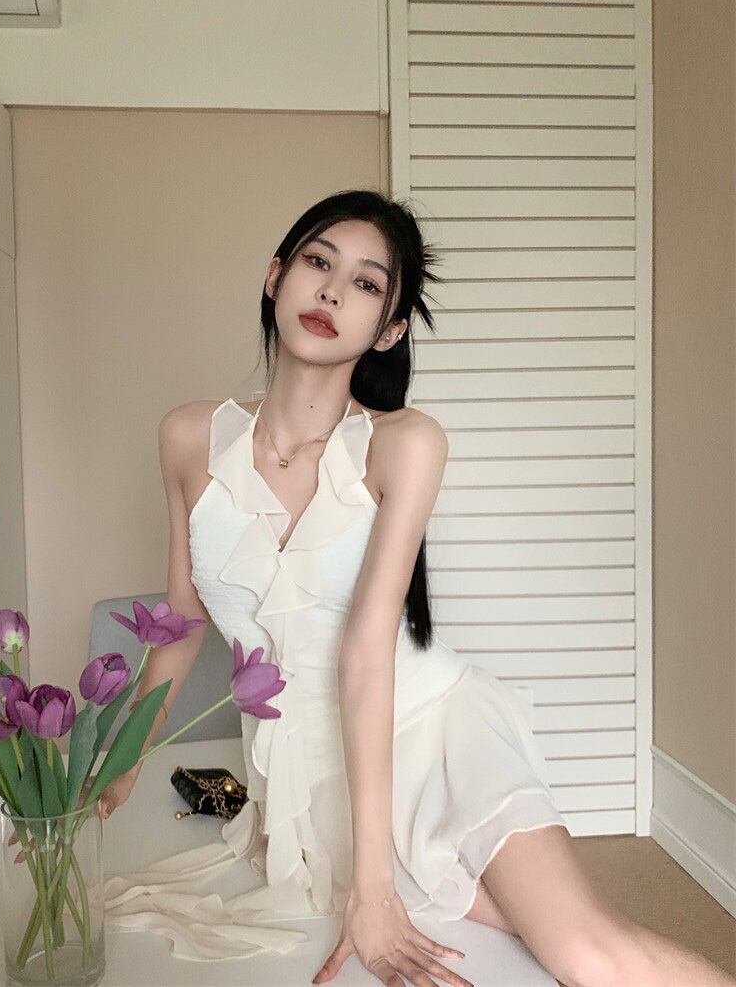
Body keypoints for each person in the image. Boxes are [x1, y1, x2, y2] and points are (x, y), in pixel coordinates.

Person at [101, 190, 735, 987]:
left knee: (585, 950)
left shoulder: (406, 444)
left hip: (431, 730)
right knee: (524, 932)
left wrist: (372, 894)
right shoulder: (188, 436)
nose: (333, 291)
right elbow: (181, 623)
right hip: (312, 779)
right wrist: (119, 758)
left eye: (366, 284)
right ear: (275, 276)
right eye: (318, 262)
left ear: (389, 330)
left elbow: (367, 655)